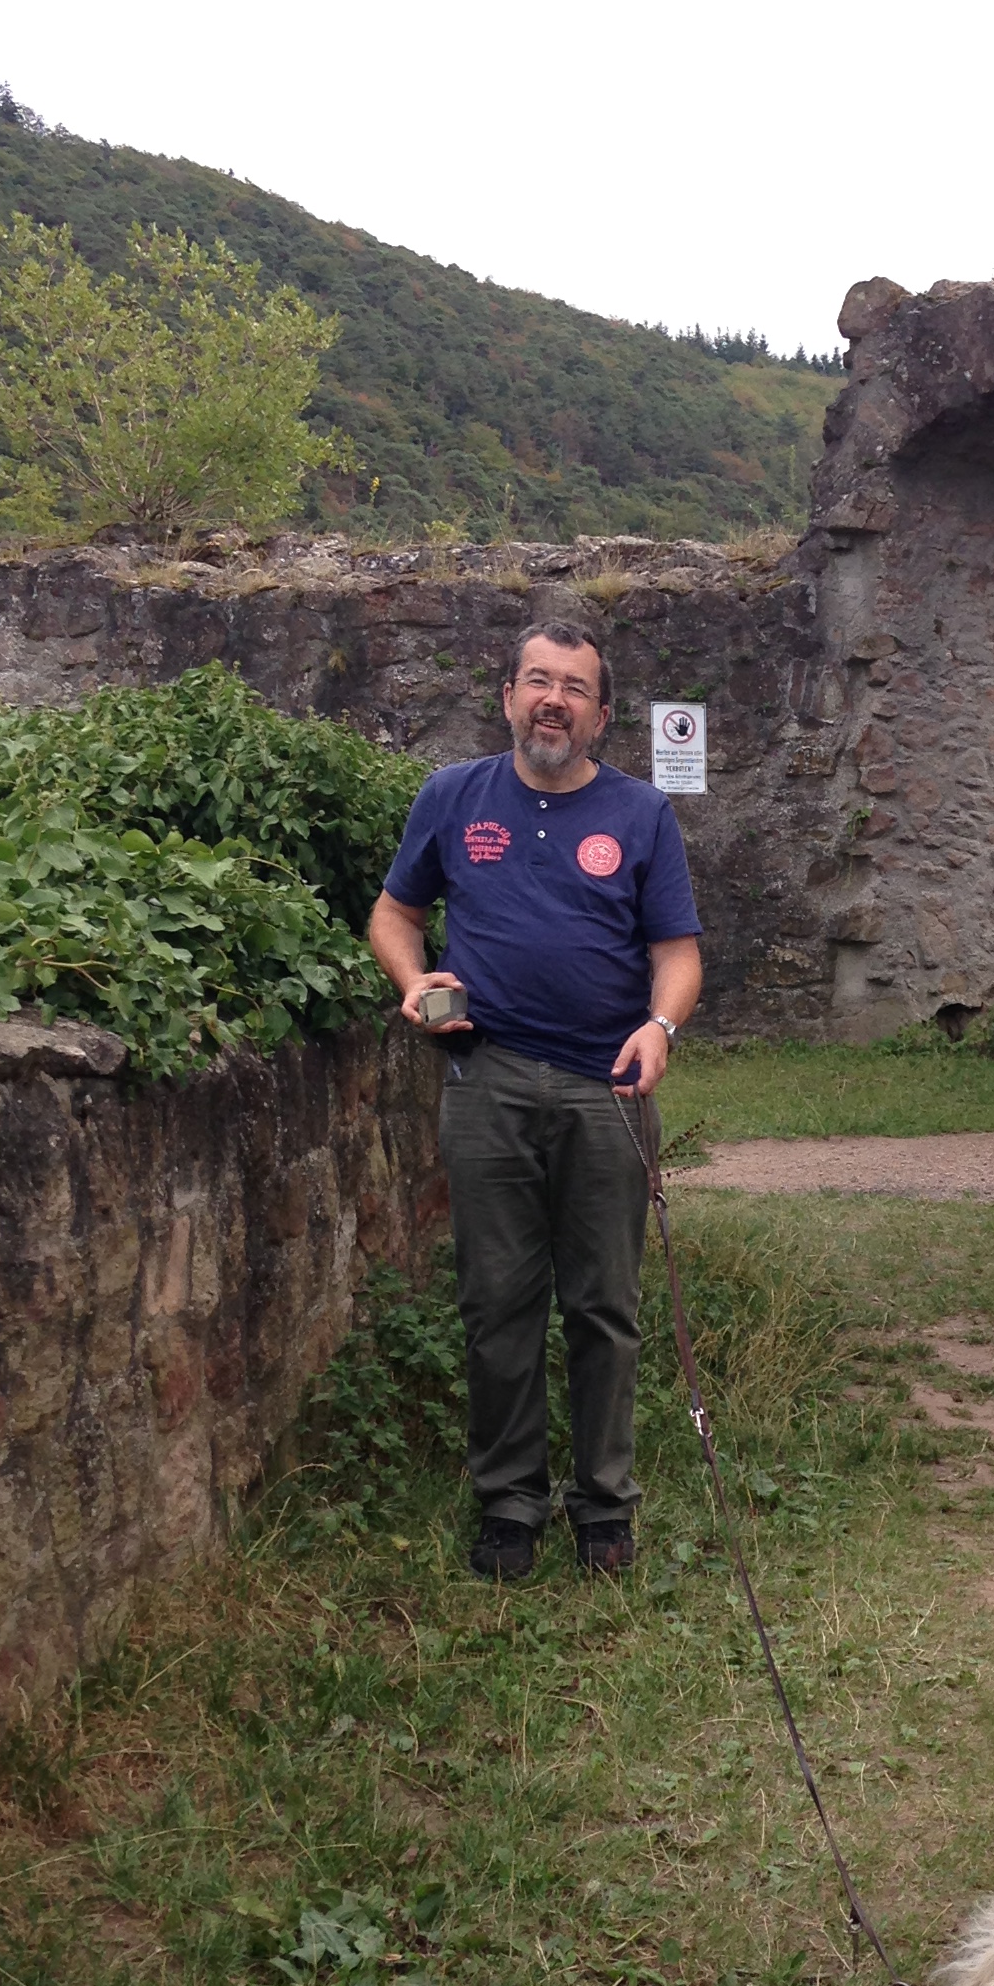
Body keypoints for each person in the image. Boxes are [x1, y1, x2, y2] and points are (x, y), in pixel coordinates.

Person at [367, 620, 703, 1581]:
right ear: (508, 697)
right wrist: (413, 979)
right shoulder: (453, 795)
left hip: (609, 1086)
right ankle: (509, 1505)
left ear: (601, 715)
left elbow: (677, 953)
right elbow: (395, 913)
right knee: (498, 1303)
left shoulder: (641, 814)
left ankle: (604, 1506)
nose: (554, 699)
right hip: (489, 1079)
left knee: (604, 1305)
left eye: (575, 688)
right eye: (538, 681)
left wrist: (660, 1028)